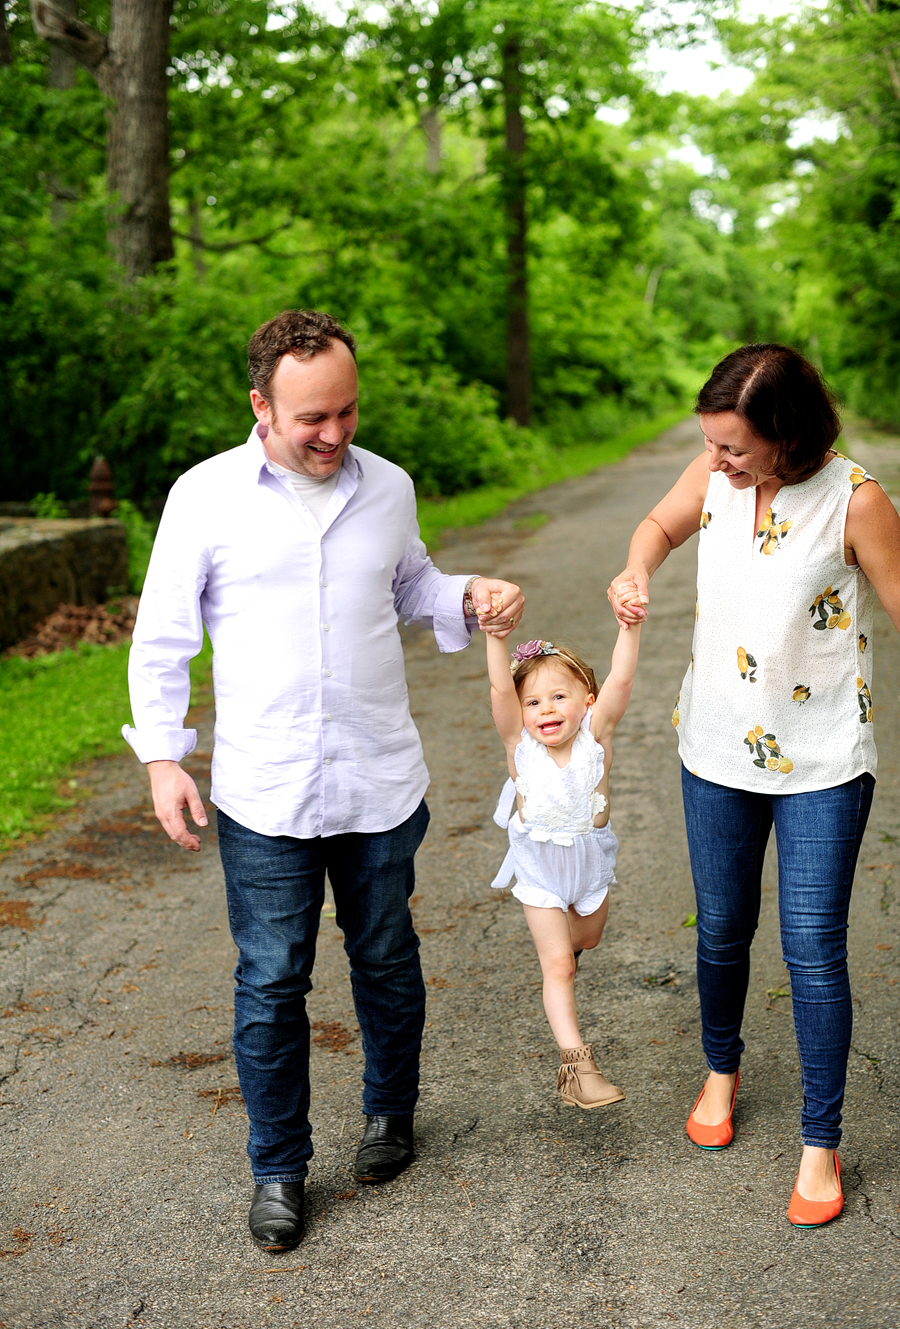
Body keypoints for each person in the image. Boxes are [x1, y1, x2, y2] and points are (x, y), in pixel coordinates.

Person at [122, 309, 524, 1251]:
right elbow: (163, 637)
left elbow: (411, 586)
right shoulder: (204, 496)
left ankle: (391, 1112)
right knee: (270, 980)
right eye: (313, 419)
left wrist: (466, 594)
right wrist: (163, 758)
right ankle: (279, 1168)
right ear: (261, 405)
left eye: (346, 411)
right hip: (263, 789)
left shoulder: (387, 486)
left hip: (379, 776)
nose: (335, 434)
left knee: (385, 955)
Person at [608, 343, 900, 1227]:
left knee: (812, 949)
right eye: (712, 445)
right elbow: (655, 528)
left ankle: (821, 1143)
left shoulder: (857, 499)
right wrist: (637, 567)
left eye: (735, 447)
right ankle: (721, 1069)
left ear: (787, 433)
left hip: (821, 761)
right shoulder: (714, 479)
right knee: (723, 929)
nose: (718, 461)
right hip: (716, 750)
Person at [486, 624, 640, 1108]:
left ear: (587, 701)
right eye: (533, 702)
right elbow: (498, 690)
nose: (546, 709)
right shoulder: (521, 749)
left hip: (590, 867)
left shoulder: (596, 736)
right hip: (540, 874)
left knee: (586, 939)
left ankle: (562, 949)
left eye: (558, 696)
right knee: (558, 967)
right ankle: (578, 1068)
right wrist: (494, 637)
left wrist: (627, 626)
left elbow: (621, 679)